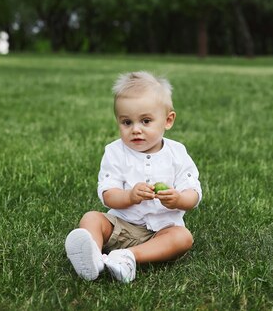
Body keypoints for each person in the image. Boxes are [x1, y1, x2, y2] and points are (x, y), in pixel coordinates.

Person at [65, 71, 202, 283]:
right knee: (91, 218)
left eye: (145, 121)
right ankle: (93, 256)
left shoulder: (177, 153)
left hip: (161, 231)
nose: (135, 130)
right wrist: (130, 196)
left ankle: (127, 257)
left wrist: (178, 199)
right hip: (121, 225)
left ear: (168, 120)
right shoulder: (115, 152)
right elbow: (108, 195)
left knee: (183, 238)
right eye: (126, 122)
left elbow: (193, 193)